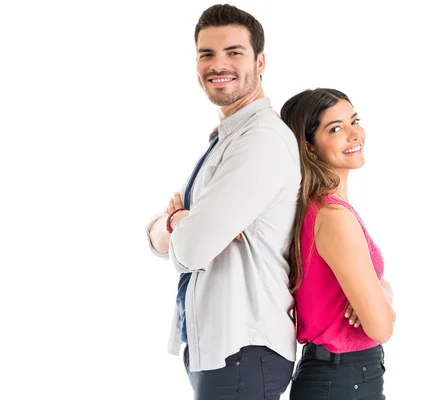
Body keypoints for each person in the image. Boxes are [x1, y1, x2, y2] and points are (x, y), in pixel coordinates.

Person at [145, 4, 300, 399]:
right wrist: (180, 223)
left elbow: (191, 249)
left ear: (260, 61)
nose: (219, 65)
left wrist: (179, 222)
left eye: (234, 52)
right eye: (207, 54)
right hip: (219, 348)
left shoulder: (260, 140)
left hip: (243, 348)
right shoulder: (228, 139)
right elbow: (160, 239)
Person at [280, 88, 396, 399]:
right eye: (335, 128)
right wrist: (382, 299)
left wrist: (381, 290)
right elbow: (381, 327)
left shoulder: (319, 210)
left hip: (338, 377)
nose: (354, 133)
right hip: (344, 378)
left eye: (354, 120)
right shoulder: (333, 217)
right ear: (310, 149)